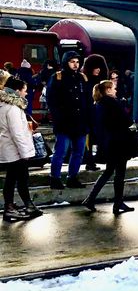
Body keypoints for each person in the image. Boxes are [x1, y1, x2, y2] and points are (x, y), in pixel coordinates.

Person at [82, 80, 135, 215]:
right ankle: (117, 203)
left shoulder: (99, 104)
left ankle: (91, 198)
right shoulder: (113, 103)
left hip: (108, 143)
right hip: (119, 142)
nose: (116, 91)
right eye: (114, 88)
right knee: (119, 174)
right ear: (108, 90)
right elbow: (127, 121)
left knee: (108, 171)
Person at [45, 50, 90, 189]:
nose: (75, 65)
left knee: (78, 152)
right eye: (72, 62)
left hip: (80, 122)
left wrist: (87, 118)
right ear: (66, 62)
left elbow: (87, 99)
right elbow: (51, 101)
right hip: (64, 122)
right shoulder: (57, 77)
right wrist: (58, 118)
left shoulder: (82, 78)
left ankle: (72, 177)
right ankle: (55, 178)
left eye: (77, 62)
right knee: (61, 151)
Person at [0, 76, 42, 221]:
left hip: (10, 149)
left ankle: (15, 206)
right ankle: (15, 207)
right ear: (17, 91)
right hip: (15, 151)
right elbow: (17, 133)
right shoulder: (13, 108)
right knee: (20, 179)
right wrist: (25, 153)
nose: (26, 93)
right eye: (25, 90)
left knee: (12, 178)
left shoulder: (5, 105)